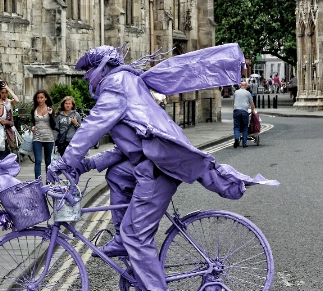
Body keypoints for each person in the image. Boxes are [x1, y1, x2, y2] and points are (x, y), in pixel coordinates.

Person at [47, 45, 279, 291]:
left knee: (136, 237)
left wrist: (66, 160)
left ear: (103, 68)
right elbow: (128, 146)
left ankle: (137, 256)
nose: (85, 75)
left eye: (88, 69)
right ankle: (121, 239)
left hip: (157, 169)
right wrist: (88, 164)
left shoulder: (115, 85)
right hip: (152, 161)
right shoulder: (126, 82)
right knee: (116, 174)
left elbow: (91, 126)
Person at [31, 89, 55, 179]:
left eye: (41, 98)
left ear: (45, 98)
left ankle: (48, 181)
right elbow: (33, 121)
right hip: (37, 137)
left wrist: (51, 114)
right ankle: (38, 182)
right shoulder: (34, 109)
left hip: (48, 137)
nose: (39, 100)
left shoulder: (50, 108)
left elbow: (54, 125)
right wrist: (32, 127)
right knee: (38, 160)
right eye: (38, 98)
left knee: (48, 161)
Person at [233, 81, 255, 148]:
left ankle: (237, 138)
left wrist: (234, 110)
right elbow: (251, 103)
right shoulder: (247, 93)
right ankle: (244, 143)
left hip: (236, 110)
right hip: (244, 111)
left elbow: (233, 102)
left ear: (240, 86)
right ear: (245, 86)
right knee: (245, 127)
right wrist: (253, 111)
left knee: (236, 127)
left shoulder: (236, 92)